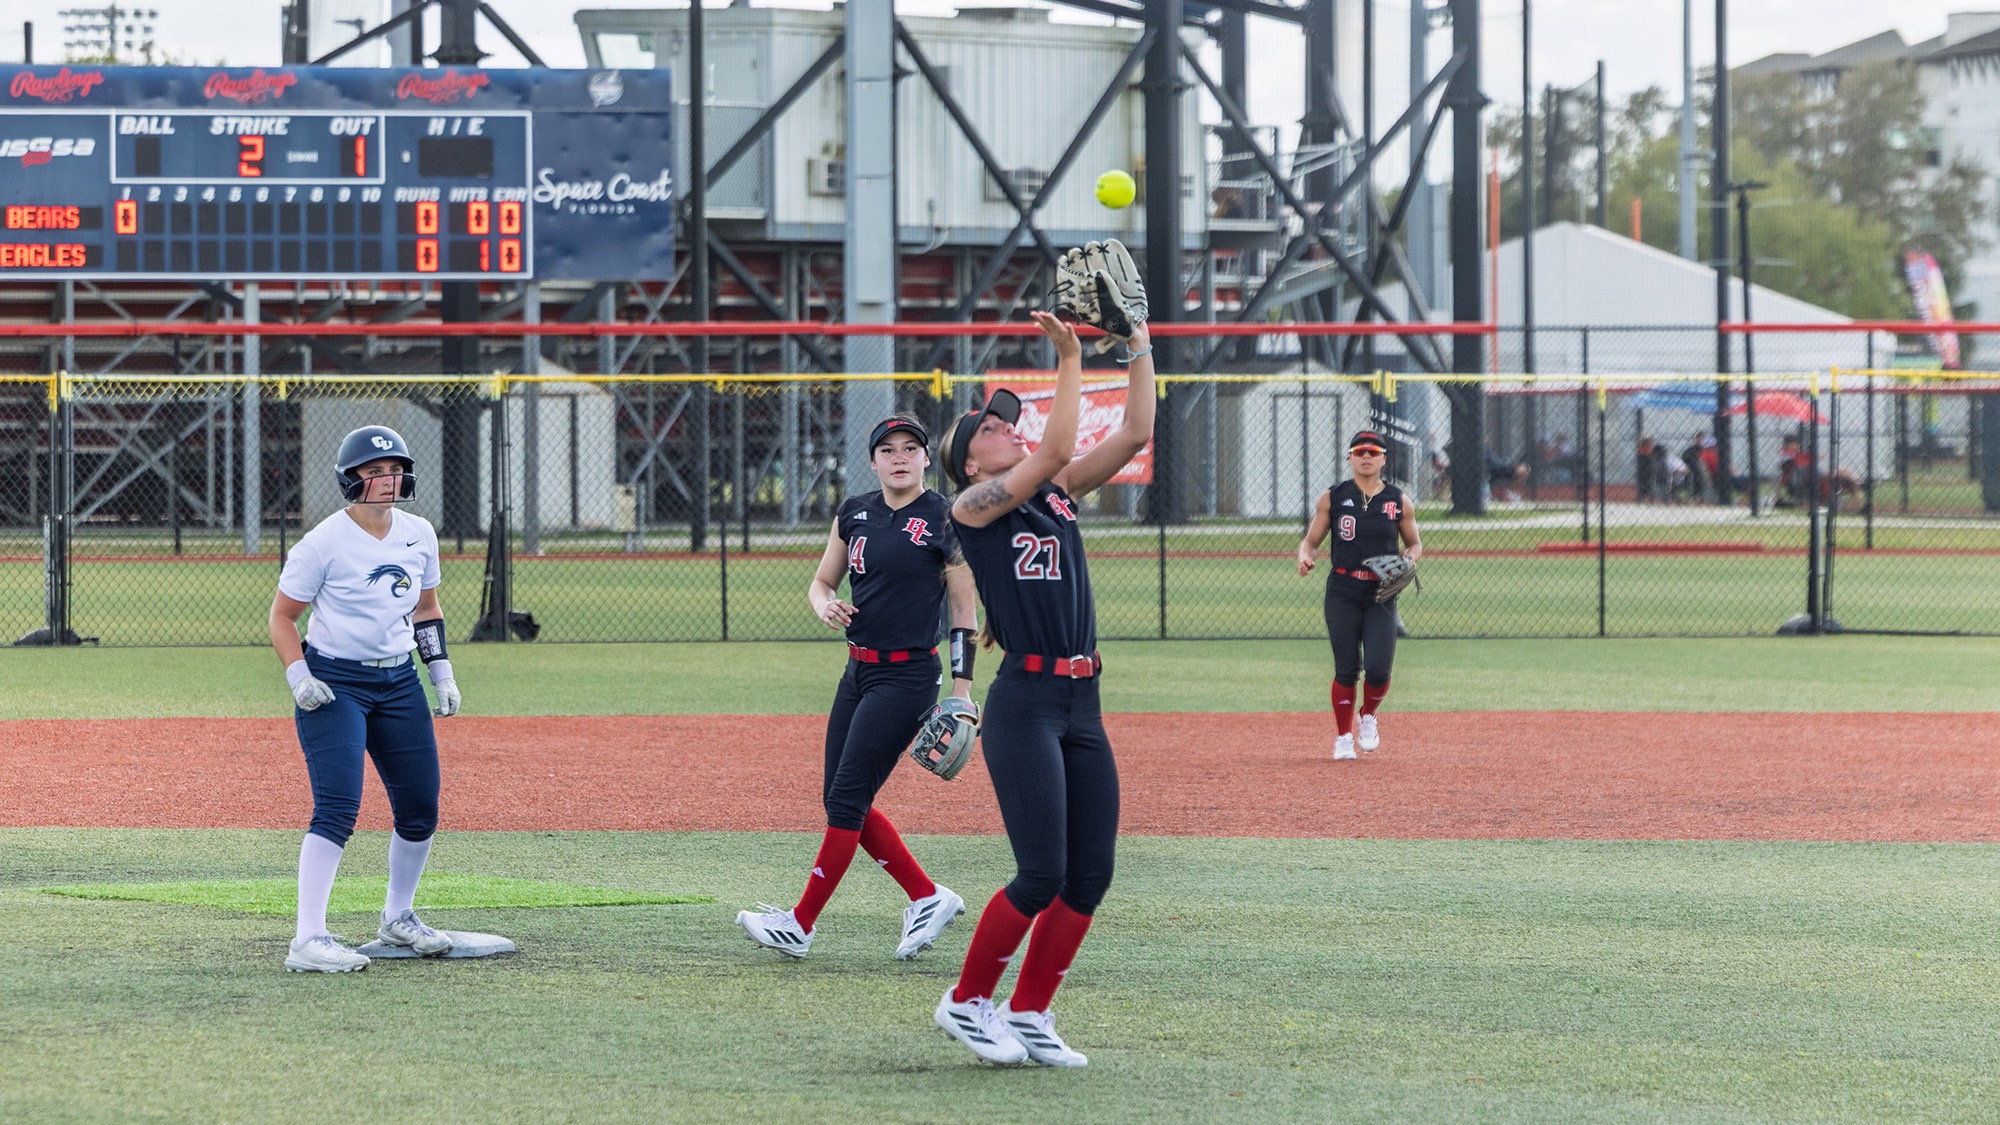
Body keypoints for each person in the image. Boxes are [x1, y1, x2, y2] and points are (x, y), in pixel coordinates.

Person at [927, 309, 1155, 1068]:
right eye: (990, 428)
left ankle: (1029, 1010)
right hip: (1024, 703)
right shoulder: (971, 507)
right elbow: (1057, 441)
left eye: (1005, 422)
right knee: (1041, 871)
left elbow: (1133, 433)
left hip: (1081, 702)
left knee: (1092, 871)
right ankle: (965, 1000)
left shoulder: (1052, 493)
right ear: (968, 461)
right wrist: (1068, 355)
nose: (1007, 429)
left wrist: (1140, 344)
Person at [735, 414, 976, 961]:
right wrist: (827, 606)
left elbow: (964, 612)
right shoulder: (855, 513)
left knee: (846, 799)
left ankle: (800, 924)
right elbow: (822, 582)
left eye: (910, 448)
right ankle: (926, 895)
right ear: (872, 461)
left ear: (924, 459)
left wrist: (961, 690)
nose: (898, 457)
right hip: (857, 671)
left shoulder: (947, 518)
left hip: (909, 675)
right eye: (887, 449)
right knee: (840, 798)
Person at [268, 426, 461, 973]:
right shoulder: (323, 542)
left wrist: (440, 672)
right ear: (350, 479)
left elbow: (427, 609)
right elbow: (283, 618)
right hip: (335, 683)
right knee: (337, 807)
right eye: (373, 472)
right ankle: (308, 939)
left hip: (399, 680)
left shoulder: (419, 532)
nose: (386, 480)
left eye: (394, 469)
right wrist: (300, 677)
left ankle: (398, 919)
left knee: (421, 806)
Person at [1296, 430, 1424, 760]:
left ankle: (1368, 715)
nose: (1365, 457)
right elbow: (1310, 541)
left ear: (1384, 458)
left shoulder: (1398, 501)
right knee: (1347, 667)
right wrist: (1305, 555)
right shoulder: (1333, 497)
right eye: (1359, 451)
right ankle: (1342, 737)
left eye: (1373, 452)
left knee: (1379, 668)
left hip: (1381, 592)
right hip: (1342, 589)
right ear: (1350, 458)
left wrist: (1408, 561)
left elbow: (1415, 543)